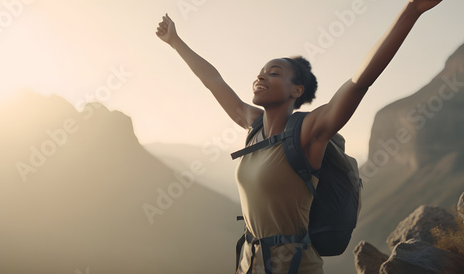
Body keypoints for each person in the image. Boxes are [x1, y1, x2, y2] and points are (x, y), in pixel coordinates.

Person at [156, 1, 443, 273]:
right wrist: (175, 41)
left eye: (274, 73)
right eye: (260, 73)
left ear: (296, 90)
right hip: (249, 263)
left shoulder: (309, 133)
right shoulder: (253, 125)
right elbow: (213, 81)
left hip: (294, 266)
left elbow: (360, 82)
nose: (261, 77)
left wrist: (411, 10)